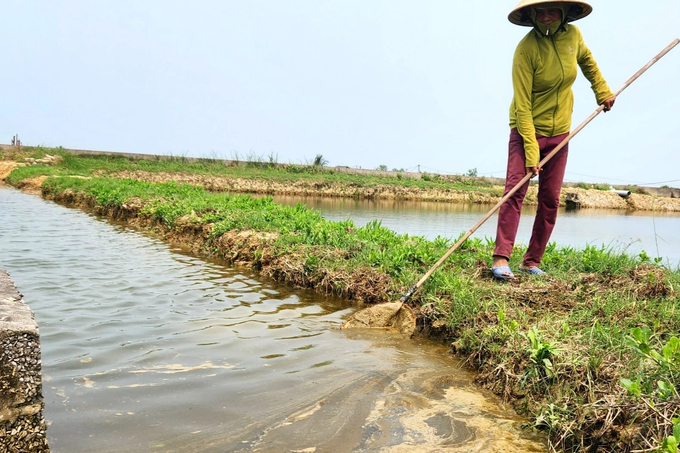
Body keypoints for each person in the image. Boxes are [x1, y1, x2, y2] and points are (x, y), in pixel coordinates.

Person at [491, 0, 616, 280]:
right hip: (527, 131)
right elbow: (522, 106)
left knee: (550, 199)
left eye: (552, 12)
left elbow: (588, 63)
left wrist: (602, 91)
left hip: (560, 132)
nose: (546, 18)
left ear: (563, 13)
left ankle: (531, 261)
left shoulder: (574, 36)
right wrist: (531, 150)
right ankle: (501, 259)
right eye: (541, 12)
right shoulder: (525, 50)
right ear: (532, 16)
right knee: (515, 193)